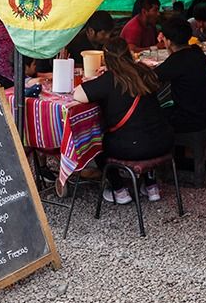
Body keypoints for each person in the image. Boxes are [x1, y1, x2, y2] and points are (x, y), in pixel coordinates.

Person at [72, 37, 173, 204]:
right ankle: (151, 185)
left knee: (97, 143)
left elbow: (77, 94)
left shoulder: (109, 79)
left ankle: (119, 190)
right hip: (164, 141)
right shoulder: (145, 71)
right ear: (128, 54)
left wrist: (97, 79)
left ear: (107, 59)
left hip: (132, 148)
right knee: (146, 128)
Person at [154, 18, 206, 135]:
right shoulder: (197, 51)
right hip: (204, 113)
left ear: (169, 42)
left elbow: (152, 77)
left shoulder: (176, 60)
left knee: (152, 113)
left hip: (187, 119)